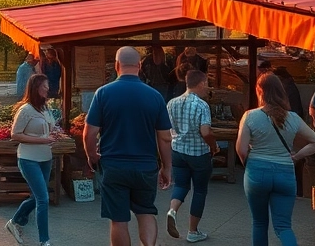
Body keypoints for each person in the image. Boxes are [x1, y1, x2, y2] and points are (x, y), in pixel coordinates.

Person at [84, 47, 173, 246]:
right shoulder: (155, 96)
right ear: (139, 66)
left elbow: (89, 133)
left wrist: (91, 155)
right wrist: (166, 167)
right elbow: (165, 137)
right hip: (145, 167)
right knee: (146, 212)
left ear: (117, 65)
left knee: (118, 219)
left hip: (114, 166)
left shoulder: (103, 93)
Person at [237, 73, 315, 246]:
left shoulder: (250, 116)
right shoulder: (293, 118)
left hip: (257, 172)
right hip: (285, 173)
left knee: (259, 223)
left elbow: (241, 149)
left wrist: (248, 164)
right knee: (283, 226)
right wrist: (296, 156)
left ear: (259, 91)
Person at [166, 69, 219, 243]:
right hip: (198, 154)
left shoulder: (172, 103)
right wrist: (214, 146)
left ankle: (172, 211)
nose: (207, 88)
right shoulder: (201, 105)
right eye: (207, 84)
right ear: (201, 83)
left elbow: (167, 129)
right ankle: (193, 231)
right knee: (200, 190)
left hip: (178, 151)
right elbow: (205, 132)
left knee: (181, 185)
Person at [4, 74, 57, 246]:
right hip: (28, 159)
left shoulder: (45, 108)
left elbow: (48, 129)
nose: (47, 89)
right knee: (43, 199)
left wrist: (52, 135)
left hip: (46, 158)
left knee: (37, 196)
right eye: (44, 87)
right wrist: (42, 140)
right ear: (35, 88)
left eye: (47, 86)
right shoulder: (25, 110)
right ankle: (44, 241)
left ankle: (14, 222)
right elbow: (15, 135)